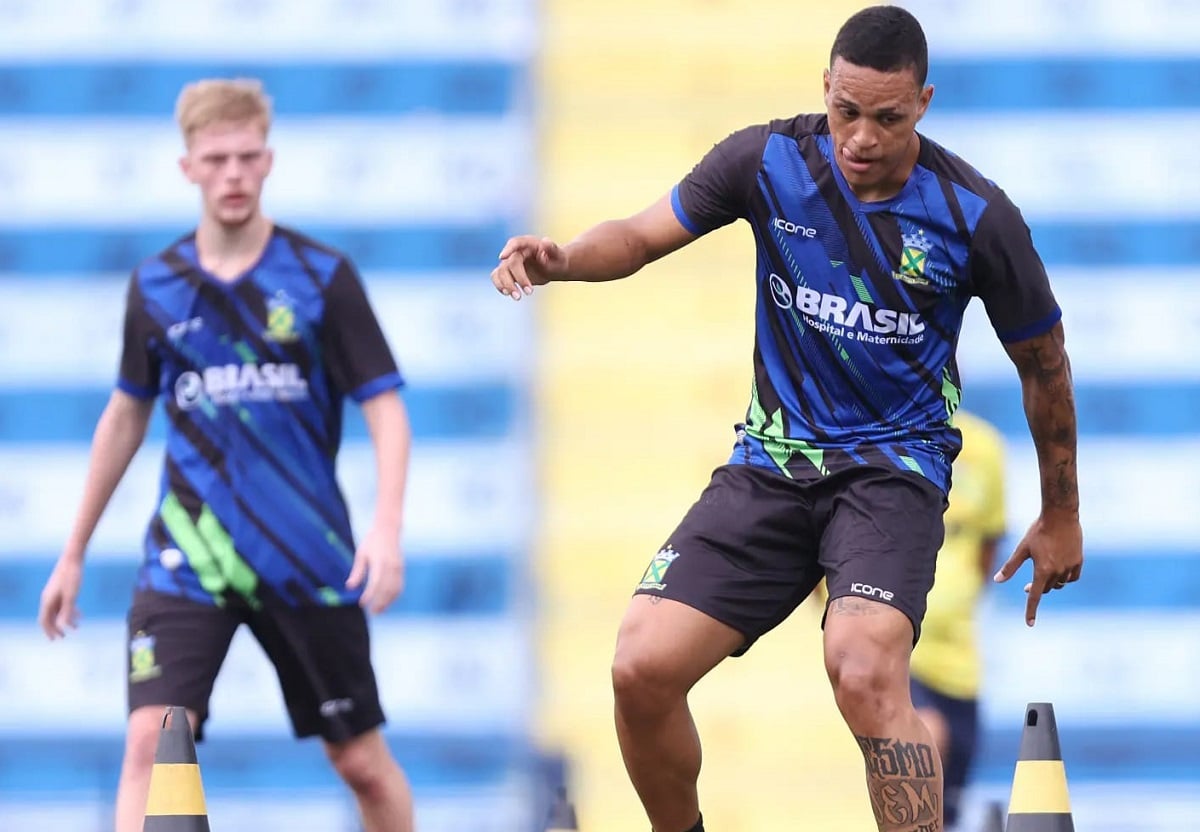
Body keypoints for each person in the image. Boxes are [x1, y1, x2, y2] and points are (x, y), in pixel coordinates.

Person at [490, 6, 1082, 832]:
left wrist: (1061, 514)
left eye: (888, 117)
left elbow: (1044, 364)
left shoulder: (974, 216)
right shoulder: (767, 161)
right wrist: (565, 260)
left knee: (863, 667)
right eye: (847, 111)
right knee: (639, 667)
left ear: (924, 103)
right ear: (825, 90)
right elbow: (639, 234)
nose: (862, 137)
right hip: (771, 463)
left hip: (893, 473)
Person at [37, 78, 415, 832]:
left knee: (362, 765)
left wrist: (386, 529)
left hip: (307, 556)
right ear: (188, 169)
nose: (233, 174)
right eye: (216, 159)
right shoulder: (156, 288)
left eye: (247, 157)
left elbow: (386, 408)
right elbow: (123, 418)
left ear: (269, 160)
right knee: (150, 737)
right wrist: (72, 550)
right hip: (188, 558)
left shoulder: (321, 278)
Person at [908, 409, 1007, 830]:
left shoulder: (983, 447)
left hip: (959, 658)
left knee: (947, 806)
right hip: (896, 645)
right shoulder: (871, 435)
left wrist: (957, 601)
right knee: (922, 744)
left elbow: (988, 543)